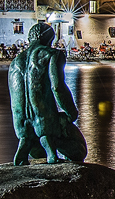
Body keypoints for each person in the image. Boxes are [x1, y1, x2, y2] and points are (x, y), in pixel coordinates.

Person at [9, 22, 88, 164]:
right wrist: (71, 112)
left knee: (34, 145)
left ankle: (24, 146)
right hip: (46, 123)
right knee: (80, 151)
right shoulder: (52, 54)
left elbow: (15, 98)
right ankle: (50, 150)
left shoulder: (14, 62)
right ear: (49, 39)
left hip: (22, 127)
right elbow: (57, 87)